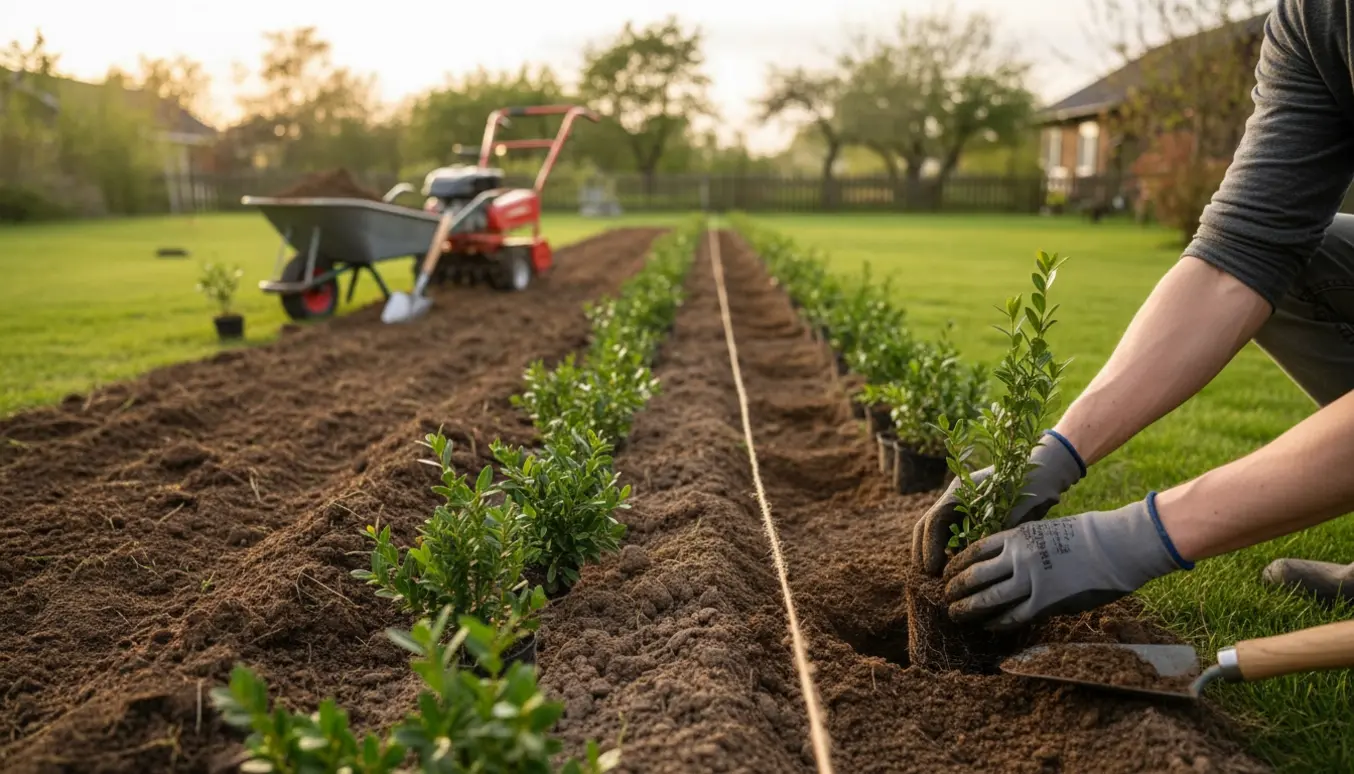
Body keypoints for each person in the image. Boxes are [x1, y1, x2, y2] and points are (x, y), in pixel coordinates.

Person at [919, 0, 1354, 630]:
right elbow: (1244, 250)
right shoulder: (1315, 19)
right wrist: (1056, 454)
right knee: (1302, 257)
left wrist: (1134, 537)